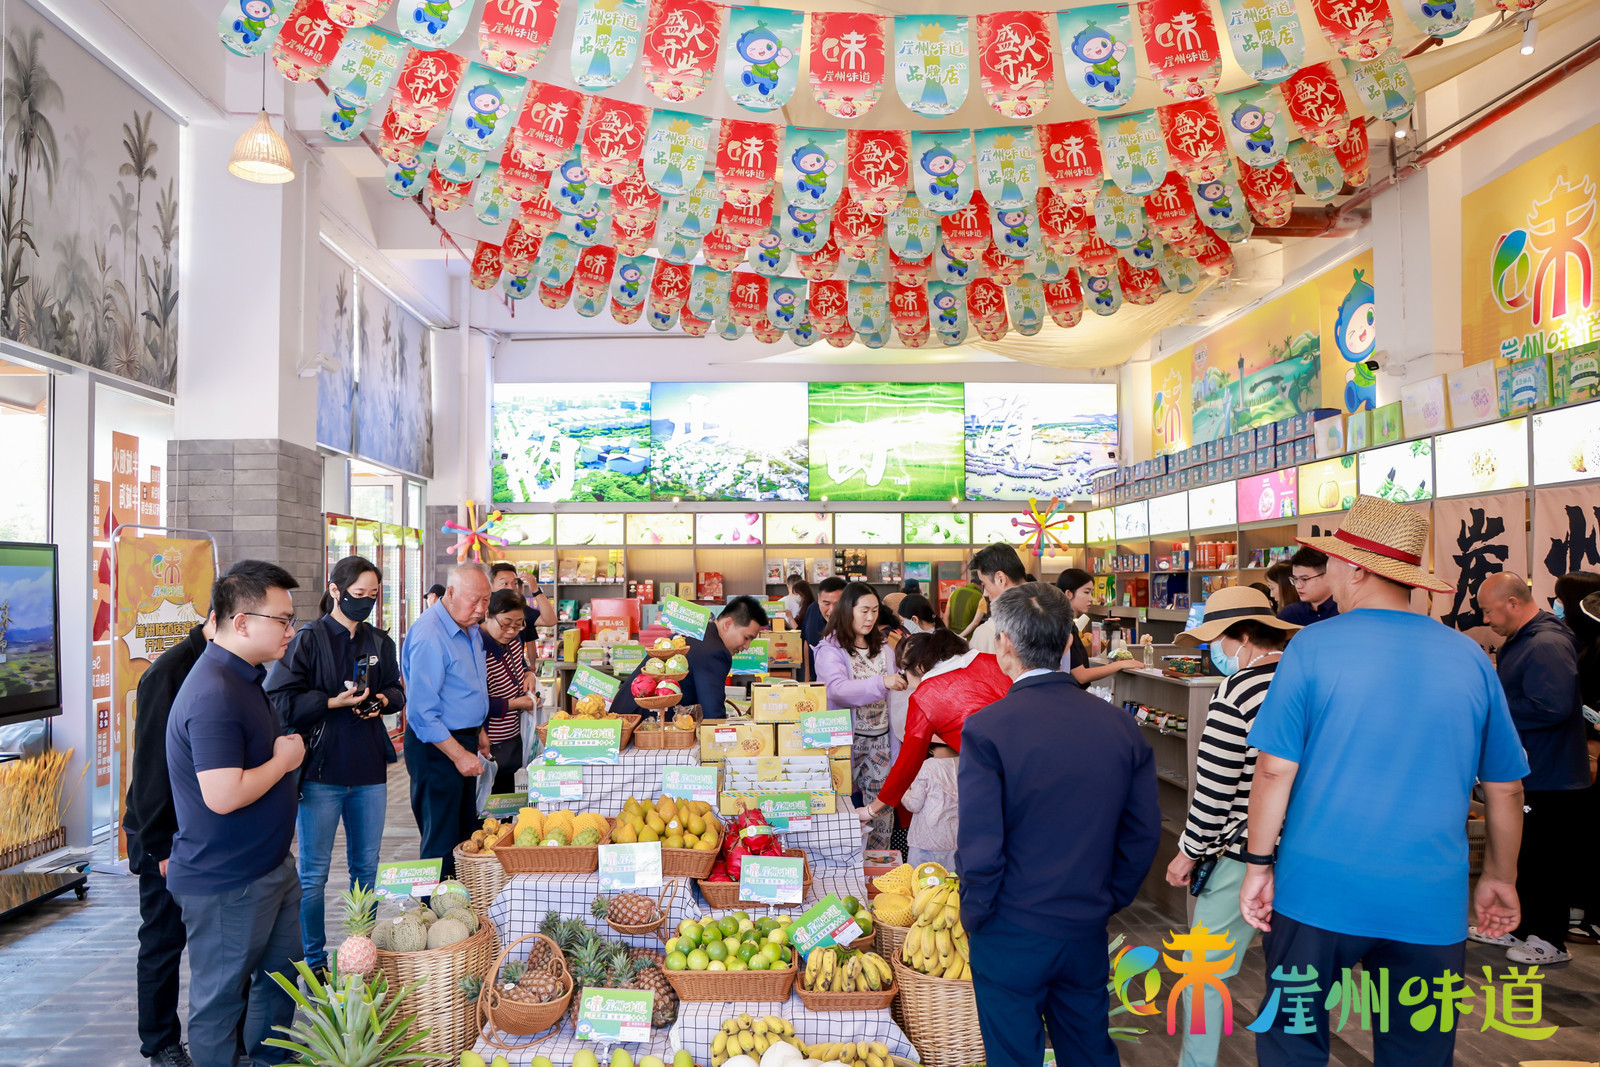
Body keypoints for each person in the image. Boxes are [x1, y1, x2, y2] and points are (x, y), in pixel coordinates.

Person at [1240, 496, 1529, 1067]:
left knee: (1294, 1037)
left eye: (1334, 563)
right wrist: (1499, 876)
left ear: (1357, 567)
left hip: (1317, 888)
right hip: (1428, 897)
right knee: (1417, 1048)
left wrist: (1257, 865)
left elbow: (1274, 769)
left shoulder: (1314, 647)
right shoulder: (1470, 657)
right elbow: (1506, 788)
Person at [958, 582, 1160, 1067]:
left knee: (1013, 1055)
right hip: (1085, 921)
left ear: (1004, 644)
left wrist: (977, 917)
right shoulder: (1119, 725)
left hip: (1009, 925)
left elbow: (980, 848)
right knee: (1089, 1049)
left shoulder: (988, 728)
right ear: (1069, 642)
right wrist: (1110, 898)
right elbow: (1142, 832)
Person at [165, 561, 305, 1067]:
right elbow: (222, 794)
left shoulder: (244, 677)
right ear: (241, 622)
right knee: (219, 1004)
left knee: (281, 981)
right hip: (228, 879)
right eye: (282, 619)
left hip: (267, 866)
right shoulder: (214, 691)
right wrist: (285, 761)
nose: (291, 631)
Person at [1160, 587, 1299, 1067]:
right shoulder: (1309, 679)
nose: (1215, 651)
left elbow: (1215, 787)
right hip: (1303, 853)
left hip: (1242, 855)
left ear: (1240, 637)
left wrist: (1188, 851)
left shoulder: (1238, 690)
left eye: (1217, 639)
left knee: (1204, 971)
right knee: (1296, 975)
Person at [265, 555, 403, 977]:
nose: (366, 602)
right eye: (359, 595)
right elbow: (279, 701)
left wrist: (379, 702)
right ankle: (315, 960)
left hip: (369, 772)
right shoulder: (308, 639)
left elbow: (397, 691)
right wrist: (329, 701)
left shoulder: (380, 642)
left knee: (366, 869)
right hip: (322, 773)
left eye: (373, 596)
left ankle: (360, 954)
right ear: (336, 589)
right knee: (314, 874)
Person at [1473, 571, 1588, 964]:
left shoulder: (1547, 642)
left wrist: (1494, 710)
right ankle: (1519, 928)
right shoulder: (1522, 640)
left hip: (1551, 773)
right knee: (1523, 857)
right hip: (1528, 768)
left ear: (1513, 603)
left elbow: (1552, 707)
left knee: (1544, 860)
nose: (1487, 621)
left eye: (1489, 611)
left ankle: (1550, 940)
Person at [124, 608, 215, 1067]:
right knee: (162, 941)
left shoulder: (227, 665)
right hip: (164, 833)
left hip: (203, 830)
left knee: (210, 941)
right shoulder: (170, 671)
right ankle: (160, 1043)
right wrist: (160, 844)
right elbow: (150, 770)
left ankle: (219, 1039)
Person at [862, 629, 1011, 826]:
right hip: (1041, 756)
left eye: (903, 671)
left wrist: (872, 809)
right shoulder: (992, 660)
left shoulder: (925, 696)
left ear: (920, 666)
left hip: (997, 778)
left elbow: (908, 761)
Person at [402, 561, 492, 880]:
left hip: (463, 738)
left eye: (486, 600)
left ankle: (462, 913)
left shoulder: (468, 628)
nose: (481, 608)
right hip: (437, 747)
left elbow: (467, 686)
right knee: (440, 838)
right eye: (475, 600)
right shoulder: (430, 635)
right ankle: (434, 917)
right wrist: (459, 754)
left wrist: (478, 729)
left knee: (464, 832)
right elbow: (422, 713)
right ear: (450, 593)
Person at [814, 582, 906, 848]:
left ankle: (878, 870)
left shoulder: (884, 648)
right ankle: (839, 863)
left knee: (881, 811)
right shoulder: (830, 650)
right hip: (843, 743)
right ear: (848, 610)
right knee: (838, 806)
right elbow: (837, 690)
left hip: (881, 742)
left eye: (875, 611)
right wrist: (882, 683)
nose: (870, 617)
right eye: (864, 610)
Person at [612, 596, 768, 718]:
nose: (747, 646)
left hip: (628, 713)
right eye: (747, 638)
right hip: (644, 721)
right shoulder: (715, 652)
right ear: (728, 624)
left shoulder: (700, 633)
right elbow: (712, 713)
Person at [1557, 572, 1600, 944]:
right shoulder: (1579, 643)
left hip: (1588, 757)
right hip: (1582, 756)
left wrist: (1592, 751)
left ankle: (1586, 915)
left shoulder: (1593, 649)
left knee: (1586, 835)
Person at [481, 588, 536, 794]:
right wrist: (517, 703)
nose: (511, 631)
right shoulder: (477, 648)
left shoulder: (513, 641)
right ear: (488, 615)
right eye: (505, 624)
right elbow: (478, 703)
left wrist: (529, 674)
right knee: (486, 806)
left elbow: (520, 666)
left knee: (506, 802)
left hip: (513, 735)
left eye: (518, 624)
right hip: (489, 742)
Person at [1055, 568, 1142, 687]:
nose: (1091, 598)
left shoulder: (1064, 623)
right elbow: (1082, 676)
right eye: (1086, 592)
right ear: (1069, 594)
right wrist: (1120, 664)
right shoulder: (1064, 626)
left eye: (1091, 593)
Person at [902, 742, 959, 870]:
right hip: (954, 839)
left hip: (926, 840)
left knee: (921, 884)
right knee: (949, 886)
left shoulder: (927, 766)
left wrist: (904, 791)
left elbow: (914, 804)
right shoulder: (963, 762)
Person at [967, 543, 1029, 654]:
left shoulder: (987, 632)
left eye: (984, 584)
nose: (985, 594)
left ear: (1001, 579)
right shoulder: (1053, 613)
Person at [490, 561, 555, 660]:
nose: (511, 588)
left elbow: (550, 620)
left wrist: (536, 590)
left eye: (515, 583)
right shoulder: (483, 608)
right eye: (505, 583)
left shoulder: (519, 608)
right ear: (490, 585)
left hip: (516, 668)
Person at [1275, 546, 1339, 626]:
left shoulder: (1344, 611)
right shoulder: (1288, 615)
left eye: (1304, 579)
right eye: (1295, 579)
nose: (1298, 586)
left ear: (1328, 576)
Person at [801, 576, 846, 680]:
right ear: (819, 599)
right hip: (816, 684)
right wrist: (807, 679)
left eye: (837, 604)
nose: (831, 610)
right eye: (826, 603)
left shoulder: (854, 623)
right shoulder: (812, 610)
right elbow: (807, 643)